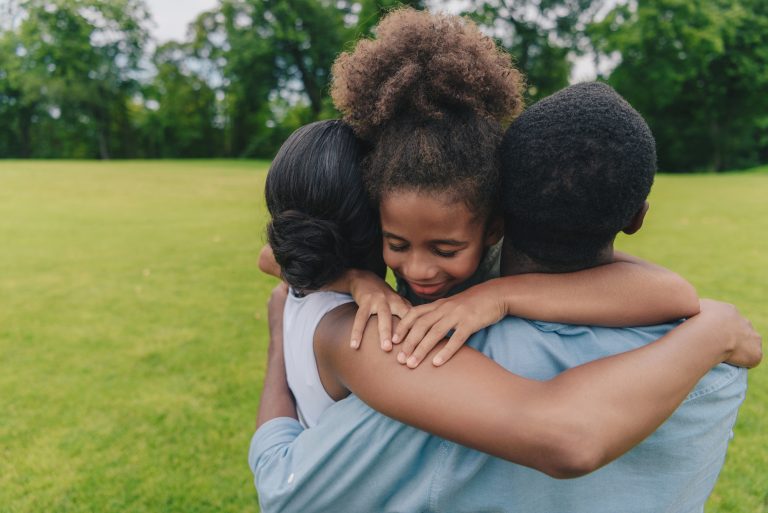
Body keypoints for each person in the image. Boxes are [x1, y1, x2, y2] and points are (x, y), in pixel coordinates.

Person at [249, 83, 762, 513]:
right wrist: (358, 281)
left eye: (446, 247)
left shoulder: (466, 296)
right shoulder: (366, 314)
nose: (418, 269)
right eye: (397, 244)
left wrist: (499, 296)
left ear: (495, 224)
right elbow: (280, 255)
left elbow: (673, 293)